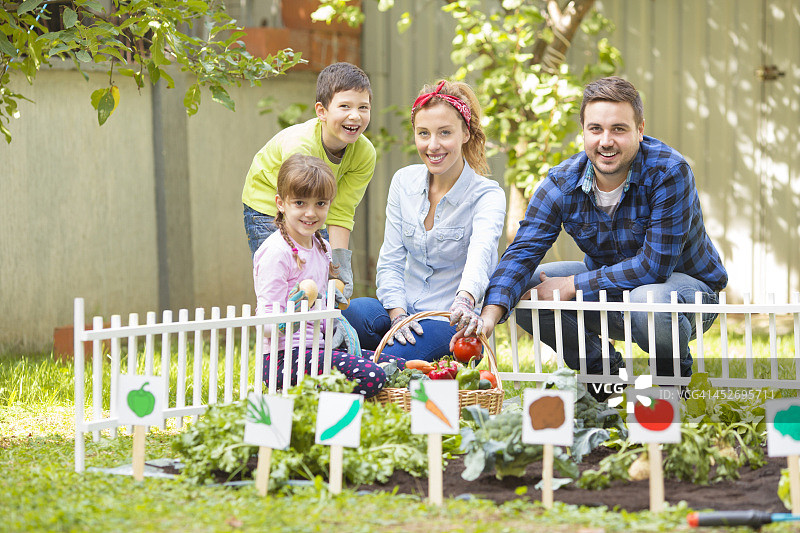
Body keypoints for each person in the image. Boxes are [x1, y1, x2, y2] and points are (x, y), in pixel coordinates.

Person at [456, 76, 727, 388]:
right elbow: (521, 253)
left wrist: (572, 283)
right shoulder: (562, 183)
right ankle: (607, 379)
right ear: (583, 131)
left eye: (619, 129)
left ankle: (673, 384)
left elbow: (654, 267)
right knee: (528, 286)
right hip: (614, 291)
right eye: (595, 129)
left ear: (640, 130)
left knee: (648, 300)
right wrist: (489, 316)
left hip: (682, 294)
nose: (606, 141)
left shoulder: (668, 172)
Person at [342, 80, 506, 362]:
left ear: (465, 133)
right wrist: (397, 316)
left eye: (445, 133)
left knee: (389, 360)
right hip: (403, 311)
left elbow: (481, 257)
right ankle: (368, 362)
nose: (433, 145)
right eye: (423, 133)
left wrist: (465, 301)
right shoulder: (403, 182)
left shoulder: (488, 195)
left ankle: (368, 364)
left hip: (449, 322)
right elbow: (391, 260)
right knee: (349, 317)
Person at [253, 154, 395, 397]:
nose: (311, 213)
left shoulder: (322, 247)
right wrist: (293, 316)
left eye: (320, 203)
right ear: (280, 203)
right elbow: (265, 325)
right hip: (284, 358)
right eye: (299, 203)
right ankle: (321, 410)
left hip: (321, 349)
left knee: (396, 364)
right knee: (373, 375)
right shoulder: (277, 252)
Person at [243, 62, 376, 305]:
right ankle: (281, 336)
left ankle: (317, 339)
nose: (355, 115)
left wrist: (338, 265)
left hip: (312, 204)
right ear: (322, 111)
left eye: (363, 107)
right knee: (287, 276)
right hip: (271, 204)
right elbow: (298, 200)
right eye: (344, 106)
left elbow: (342, 209)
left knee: (320, 284)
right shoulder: (300, 145)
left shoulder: (364, 154)